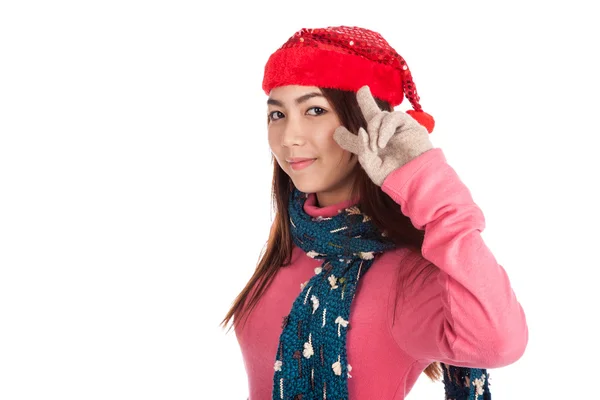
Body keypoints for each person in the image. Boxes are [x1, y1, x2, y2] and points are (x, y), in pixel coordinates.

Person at [221, 25, 528, 400]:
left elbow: (499, 343)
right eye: (277, 115)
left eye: (315, 110)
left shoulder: (408, 275)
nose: (289, 137)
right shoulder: (295, 239)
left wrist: (425, 177)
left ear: (365, 122)